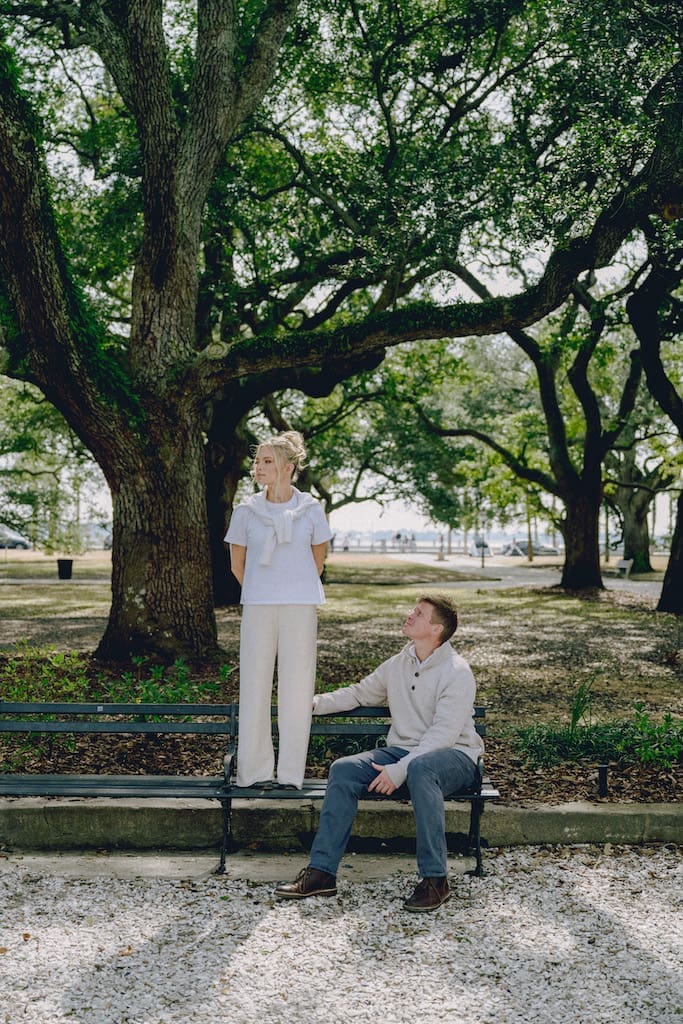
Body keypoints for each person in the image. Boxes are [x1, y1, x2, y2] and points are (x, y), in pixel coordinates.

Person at [274, 593, 484, 912]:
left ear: (436, 630)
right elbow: (360, 693)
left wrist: (399, 769)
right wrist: (313, 704)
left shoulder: (457, 671)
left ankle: (435, 880)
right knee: (344, 770)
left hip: (455, 756)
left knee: (421, 769)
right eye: (413, 610)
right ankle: (321, 873)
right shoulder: (399, 663)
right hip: (404, 753)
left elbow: (443, 736)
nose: (410, 615)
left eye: (419, 614)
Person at [224, 430, 332, 789]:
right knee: (253, 685)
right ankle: (253, 771)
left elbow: (317, 562)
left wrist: (290, 589)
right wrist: (264, 591)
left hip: (300, 607)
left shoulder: (312, 511)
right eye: (257, 461)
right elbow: (238, 565)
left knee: (297, 688)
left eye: (267, 461)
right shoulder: (246, 511)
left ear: (288, 467)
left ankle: (289, 774)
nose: (258, 467)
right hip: (258, 605)